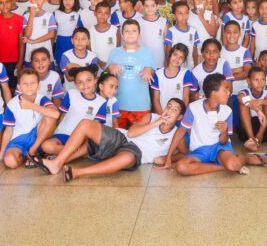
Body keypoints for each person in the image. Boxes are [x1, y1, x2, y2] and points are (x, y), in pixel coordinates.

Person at [39, 98, 188, 182]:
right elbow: (131, 133)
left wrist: (169, 158)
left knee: (128, 157)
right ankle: (56, 163)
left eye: (174, 110)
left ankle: (77, 173)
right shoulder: (151, 117)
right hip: (122, 137)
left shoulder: (176, 134)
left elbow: (185, 154)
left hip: (136, 153)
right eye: (168, 107)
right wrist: (156, 123)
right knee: (86, 124)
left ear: (180, 117)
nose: (169, 111)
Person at [163, 73, 267, 175]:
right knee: (181, 167)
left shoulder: (227, 111)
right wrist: (168, 158)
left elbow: (223, 141)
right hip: (199, 150)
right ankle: (224, 167)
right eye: (225, 89)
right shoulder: (193, 108)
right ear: (214, 93)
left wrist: (225, 131)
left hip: (219, 147)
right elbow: (181, 131)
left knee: (233, 165)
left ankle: (246, 158)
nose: (229, 92)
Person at [0, 68, 59, 168]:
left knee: (50, 116)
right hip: (19, 141)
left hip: (38, 138)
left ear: (38, 86)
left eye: (33, 83)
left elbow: (56, 114)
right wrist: (0, 155)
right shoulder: (12, 104)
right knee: (10, 161)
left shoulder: (41, 98)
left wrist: (31, 105)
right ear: (19, 87)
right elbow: (8, 131)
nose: (29, 86)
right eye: (25, 83)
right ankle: (28, 157)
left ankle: (33, 150)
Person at [41, 65, 107, 156]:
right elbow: (62, 115)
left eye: (88, 80)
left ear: (95, 80)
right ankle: (75, 154)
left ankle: (64, 154)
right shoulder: (71, 94)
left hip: (81, 138)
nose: (85, 85)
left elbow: (95, 125)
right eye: (80, 82)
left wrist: (84, 141)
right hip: (63, 133)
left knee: (88, 146)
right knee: (47, 146)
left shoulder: (101, 102)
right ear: (75, 84)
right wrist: (56, 130)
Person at [106, 20, 155, 128]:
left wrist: (149, 70)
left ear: (139, 35)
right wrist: (110, 68)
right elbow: (105, 74)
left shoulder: (148, 53)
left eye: (134, 31)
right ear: (122, 35)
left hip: (141, 105)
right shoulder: (114, 52)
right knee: (118, 138)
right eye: (127, 31)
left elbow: (152, 72)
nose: (130, 34)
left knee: (139, 139)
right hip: (118, 104)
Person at [236, 67, 267, 151]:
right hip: (247, 132)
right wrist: (257, 109)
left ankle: (259, 136)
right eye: (256, 80)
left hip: (265, 131)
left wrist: (261, 102)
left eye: (262, 79)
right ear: (249, 81)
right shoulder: (246, 92)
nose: (260, 83)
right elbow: (240, 97)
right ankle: (252, 139)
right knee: (243, 104)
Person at [220, 21, 253, 125]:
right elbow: (218, 73)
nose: (232, 35)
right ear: (224, 33)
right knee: (228, 122)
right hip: (225, 92)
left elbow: (247, 73)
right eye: (228, 32)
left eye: (235, 32)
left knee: (241, 124)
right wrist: (237, 70)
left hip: (242, 91)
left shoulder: (244, 51)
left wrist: (228, 75)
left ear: (239, 34)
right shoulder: (220, 51)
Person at [0, 0, 23, 89]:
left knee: (13, 86)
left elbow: (21, 42)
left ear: (12, 2)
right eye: (1, 3)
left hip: (14, 60)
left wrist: (20, 61)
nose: (4, 5)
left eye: (7, 2)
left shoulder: (19, 19)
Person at [150, 43, 193, 114]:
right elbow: (156, 100)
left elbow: (186, 99)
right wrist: (162, 118)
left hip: (178, 117)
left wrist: (178, 116)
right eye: (175, 55)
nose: (177, 59)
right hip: (161, 115)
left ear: (184, 61)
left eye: (181, 57)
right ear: (170, 54)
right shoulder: (158, 74)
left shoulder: (186, 73)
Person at [22, 0, 57, 68]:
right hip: (30, 55)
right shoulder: (26, 16)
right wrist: (31, 16)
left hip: (46, 55)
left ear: (44, 0)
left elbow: (51, 34)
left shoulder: (49, 16)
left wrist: (33, 41)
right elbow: (27, 35)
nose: (37, 1)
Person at [164, 1, 200, 68]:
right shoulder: (171, 31)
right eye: (180, 13)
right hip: (174, 67)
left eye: (186, 13)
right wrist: (168, 66)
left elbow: (195, 51)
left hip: (189, 67)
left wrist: (195, 66)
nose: (184, 16)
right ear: (174, 16)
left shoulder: (193, 31)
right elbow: (168, 52)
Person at [138, 0, 168, 69]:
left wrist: (167, 59)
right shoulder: (138, 22)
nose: (150, 8)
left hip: (159, 59)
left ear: (157, 6)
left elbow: (167, 43)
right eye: (147, 6)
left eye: (152, 6)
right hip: (142, 59)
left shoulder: (163, 21)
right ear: (143, 6)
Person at [54, 0, 82, 65]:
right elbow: (52, 32)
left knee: (71, 64)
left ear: (75, 0)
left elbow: (80, 31)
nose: (68, 1)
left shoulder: (77, 14)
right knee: (60, 63)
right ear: (61, 0)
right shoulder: (56, 13)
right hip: (59, 42)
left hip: (72, 42)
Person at [89, 1, 119, 70]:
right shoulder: (90, 31)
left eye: (106, 13)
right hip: (96, 65)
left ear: (109, 15)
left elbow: (118, 49)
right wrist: (99, 62)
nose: (103, 15)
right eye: (100, 12)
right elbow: (89, 49)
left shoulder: (115, 30)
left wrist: (110, 63)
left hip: (112, 65)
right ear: (95, 13)